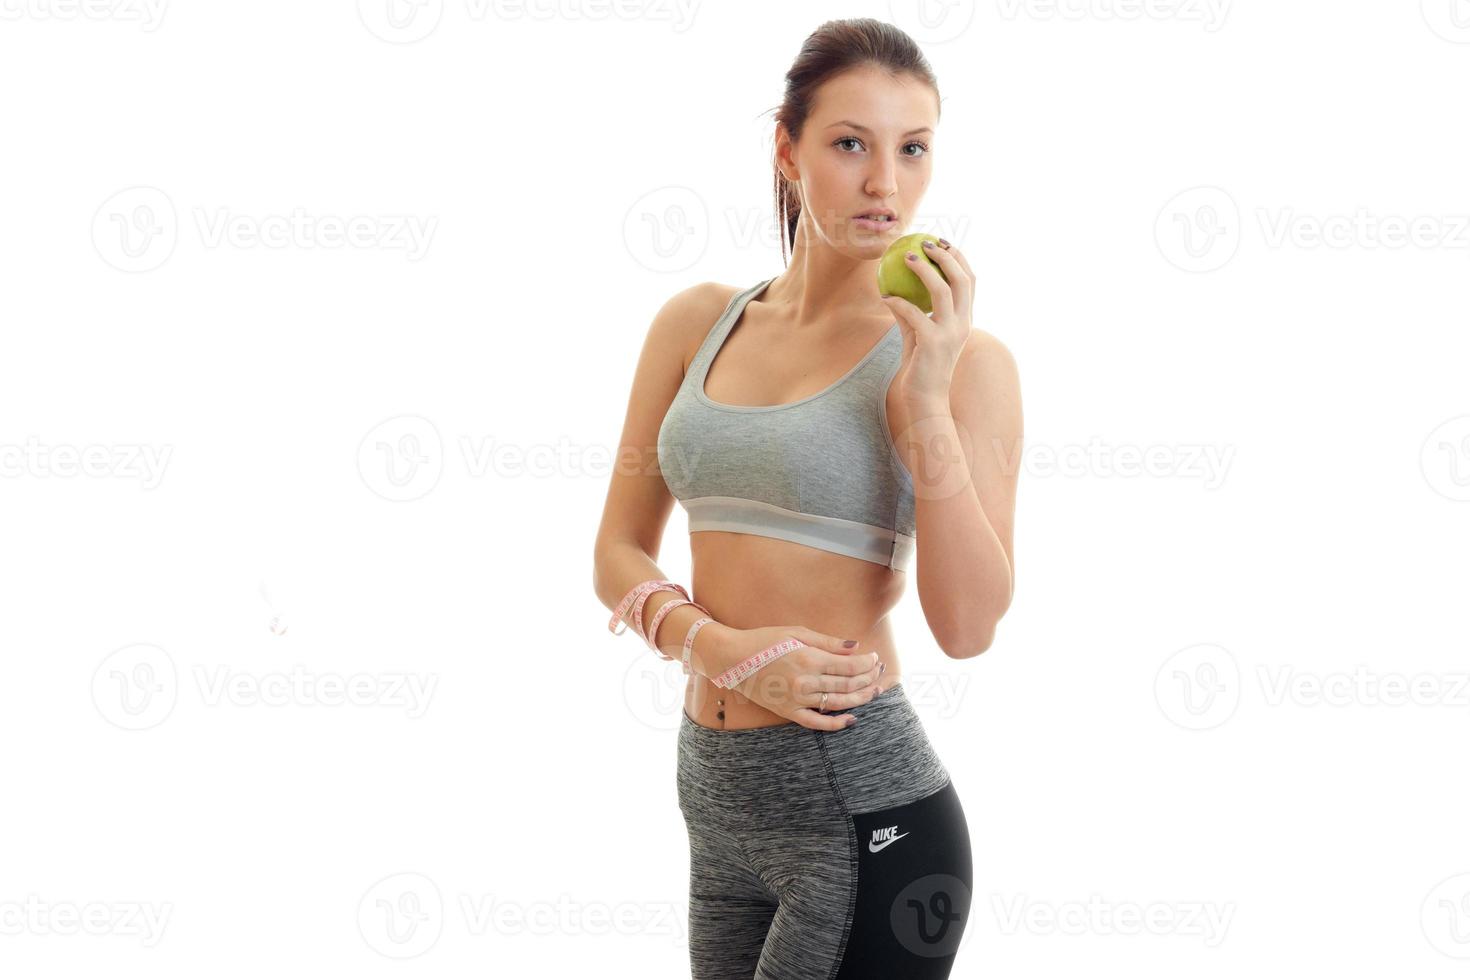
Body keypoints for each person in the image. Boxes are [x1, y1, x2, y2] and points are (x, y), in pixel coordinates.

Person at [592, 17, 1021, 979]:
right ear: (788, 152)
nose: (885, 185)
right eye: (849, 145)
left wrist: (923, 397)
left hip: (864, 811)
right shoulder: (698, 321)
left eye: (913, 150)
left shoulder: (965, 364)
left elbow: (969, 625)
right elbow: (615, 553)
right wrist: (724, 653)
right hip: (715, 806)